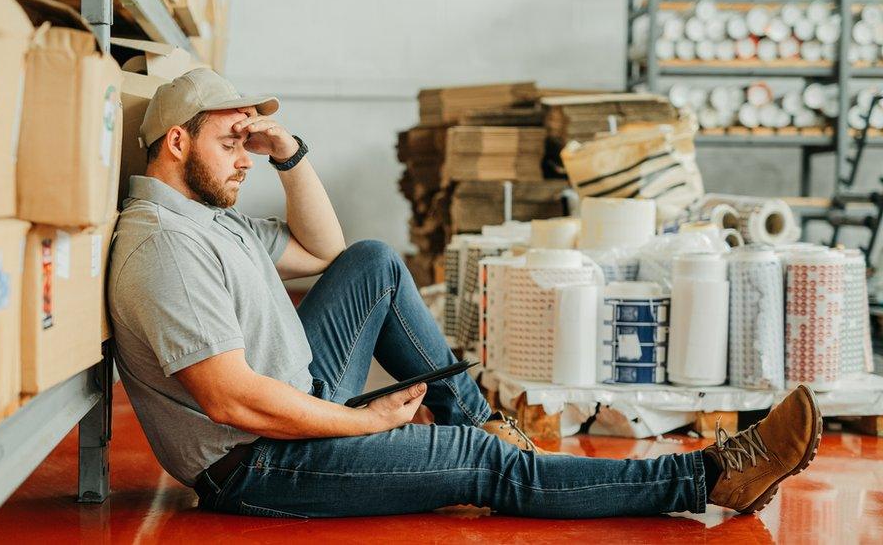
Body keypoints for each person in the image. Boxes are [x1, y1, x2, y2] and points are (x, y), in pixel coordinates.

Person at [107, 68, 822, 519]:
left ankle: (481, 420)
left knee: (375, 262)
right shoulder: (167, 246)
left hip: (296, 395)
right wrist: (368, 423)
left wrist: (289, 154)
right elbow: (231, 401)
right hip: (261, 459)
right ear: (176, 141)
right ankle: (709, 477)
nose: (244, 158)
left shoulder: (210, 221)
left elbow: (327, 251)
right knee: (486, 469)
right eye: (232, 143)